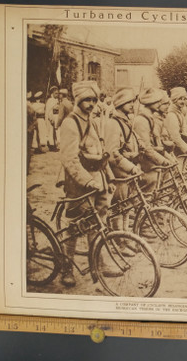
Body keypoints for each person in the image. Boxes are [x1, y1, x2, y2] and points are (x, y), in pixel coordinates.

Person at [59, 80, 117, 287]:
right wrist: (86, 181)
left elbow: (101, 154)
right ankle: (66, 269)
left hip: (97, 180)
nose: (92, 103)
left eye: (94, 99)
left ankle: (97, 265)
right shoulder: (70, 123)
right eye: (87, 100)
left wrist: (109, 178)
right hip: (78, 183)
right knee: (74, 226)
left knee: (98, 223)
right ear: (79, 100)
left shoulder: (91, 121)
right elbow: (69, 159)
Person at [104, 87, 142, 232]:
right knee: (118, 207)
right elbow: (113, 154)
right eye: (129, 102)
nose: (132, 105)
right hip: (119, 171)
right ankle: (119, 240)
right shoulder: (113, 124)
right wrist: (130, 167)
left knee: (127, 206)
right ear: (120, 104)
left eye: (132, 101)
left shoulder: (126, 121)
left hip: (128, 170)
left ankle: (126, 237)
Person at [164, 87, 187, 156]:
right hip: (174, 149)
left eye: (184, 99)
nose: (183, 102)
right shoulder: (171, 114)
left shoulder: (179, 112)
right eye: (180, 99)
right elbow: (175, 136)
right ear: (174, 100)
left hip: (181, 146)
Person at [45, 86, 60, 151]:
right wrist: (51, 119)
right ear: (52, 93)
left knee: (54, 132)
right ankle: (51, 146)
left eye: (58, 93)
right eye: (56, 93)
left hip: (55, 117)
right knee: (51, 132)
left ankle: (54, 144)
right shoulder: (50, 100)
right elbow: (49, 111)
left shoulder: (57, 100)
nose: (57, 95)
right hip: (50, 118)